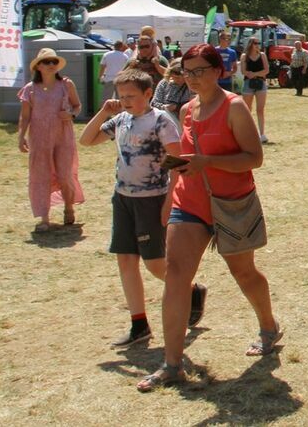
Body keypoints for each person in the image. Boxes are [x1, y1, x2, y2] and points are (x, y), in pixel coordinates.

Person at [136, 43, 279, 392]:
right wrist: (171, 193)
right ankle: (172, 365)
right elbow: (186, 157)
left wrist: (209, 163)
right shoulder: (187, 109)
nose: (194, 77)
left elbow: (253, 158)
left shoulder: (233, 108)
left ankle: (268, 326)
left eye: (201, 70)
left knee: (243, 272)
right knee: (176, 277)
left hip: (232, 203)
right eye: (188, 71)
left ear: (218, 71)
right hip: (191, 203)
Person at [80, 69, 207, 347]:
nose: (125, 101)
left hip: (152, 199)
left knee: (155, 265)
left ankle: (191, 290)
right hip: (123, 198)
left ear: (148, 94)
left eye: (131, 96)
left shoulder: (161, 121)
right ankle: (139, 324)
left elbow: (177, 162)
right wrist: (103, 112)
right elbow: (86, 140)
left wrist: (169, 201)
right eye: (121, 95)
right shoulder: (121, 120)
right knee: (125, 260)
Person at [17, 48, 86, 232]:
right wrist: (21, 136)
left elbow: (77, 106)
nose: (51, 65)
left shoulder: (66, 84)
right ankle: (44, 217)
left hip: (63, 136)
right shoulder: (29, 89)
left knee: (65, 174)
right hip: (39, 137)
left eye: (54, 61)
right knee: (41, 176)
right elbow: (25, 116)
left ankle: (69, 207)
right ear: (38, 66)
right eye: (47, 62)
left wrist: (71, 114)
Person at [240, 38, 270, 143]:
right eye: (255, 43)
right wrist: (250, 74)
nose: (258, 45)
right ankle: (248, 133)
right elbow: (243, 71)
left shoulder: (262, 55)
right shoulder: (244, 56)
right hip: (248, 84)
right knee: (247, 110)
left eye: (259, 43)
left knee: (260, 109)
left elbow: (266, 70)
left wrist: (255, 74)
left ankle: (262, 134)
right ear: (250, 45)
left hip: (261, 83)